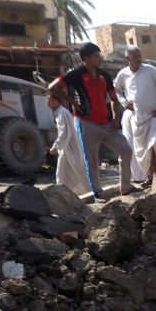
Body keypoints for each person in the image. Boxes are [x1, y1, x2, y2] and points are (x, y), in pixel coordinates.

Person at [50, 43, 134, 198]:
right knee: (92, 161)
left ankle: (126, 187)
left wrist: (116, 119)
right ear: (86, 58)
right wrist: (73, 103)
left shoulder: (104, 75)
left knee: (126, 150)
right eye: (96, 56)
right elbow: (53, 87)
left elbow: (114, 99)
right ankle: (98, 194)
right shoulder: (76, 75)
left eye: (99, 55)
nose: (100, 58)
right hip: (86, 123)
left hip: (107, 124)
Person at [115, 47, 156, 187]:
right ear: (128, 59)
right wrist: (124, 103)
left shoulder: (150, 70)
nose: (139, 58)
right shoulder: (123, 74)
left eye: (139, 55)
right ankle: (152, 176)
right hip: (139, 119)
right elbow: (116, 90)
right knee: (147, 150)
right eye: (135, 56)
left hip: (155, 116)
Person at [47, 90, 88, 198]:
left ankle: (89, 193)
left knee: (71, 172)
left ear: (55, 101)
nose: (47, 104)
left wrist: (55, 146)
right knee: (65, 174)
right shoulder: (60, 113)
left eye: (49, 101)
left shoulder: (62, 113)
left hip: (69, 148)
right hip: (67, 149)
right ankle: (67, 196)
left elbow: (64, 132)